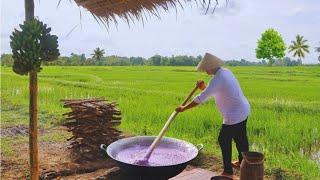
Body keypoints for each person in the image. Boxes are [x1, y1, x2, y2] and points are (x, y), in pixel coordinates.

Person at [176, 52, 250, 178]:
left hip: (234, 115)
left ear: (210, 67)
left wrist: (184, 108)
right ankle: (243, 162)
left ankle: (228, 171)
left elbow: (200, 98)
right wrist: (204, 87)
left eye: (205, 68)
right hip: (243, 110)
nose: (205, 71)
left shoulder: (218, 79)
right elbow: (213, 90)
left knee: (223, 139)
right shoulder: (225, 72)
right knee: (240, 138)